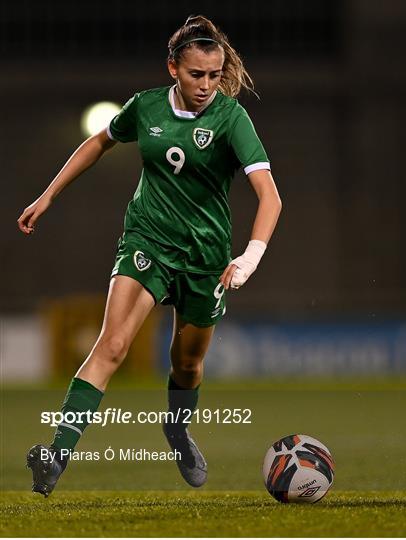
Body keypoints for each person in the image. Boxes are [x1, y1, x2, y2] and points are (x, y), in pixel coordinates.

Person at [18, 15, 282, 497]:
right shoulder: (146, 107)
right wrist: (48, 195)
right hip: (147, 243)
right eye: (195, 74)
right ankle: (56, 454)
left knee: (187, 365)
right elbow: (99, 141)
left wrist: (249, 257)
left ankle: (177, 432)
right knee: (112, 345)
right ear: (172, 69)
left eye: (214, 75)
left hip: (205, 258)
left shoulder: (230, 118)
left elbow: (270, 197)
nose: (206, 86)